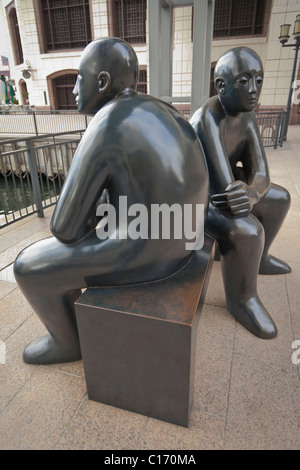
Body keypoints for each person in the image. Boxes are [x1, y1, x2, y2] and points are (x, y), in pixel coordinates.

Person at [14, 38, 209, 364]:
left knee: (28, 265)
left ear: (102, 82)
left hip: (149, 252)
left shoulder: (107, 122)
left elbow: (64, 228)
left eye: (80, 77)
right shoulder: (160, 108)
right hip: (186, 239)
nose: (75, 88)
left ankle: (67, 341)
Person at [190, 46, 291, 340]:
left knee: (279, 198)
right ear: (221, 86)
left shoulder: (246, 115)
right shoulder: (208, 117)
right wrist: (246, 193)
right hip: (197, 200)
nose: (254, 90)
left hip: (225, 192)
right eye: (244, 81)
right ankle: (242, 299)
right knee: (248, 230)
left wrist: (252, 193)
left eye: (259, 80)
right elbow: (222, 188)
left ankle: (258, 260)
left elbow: (261, 173)